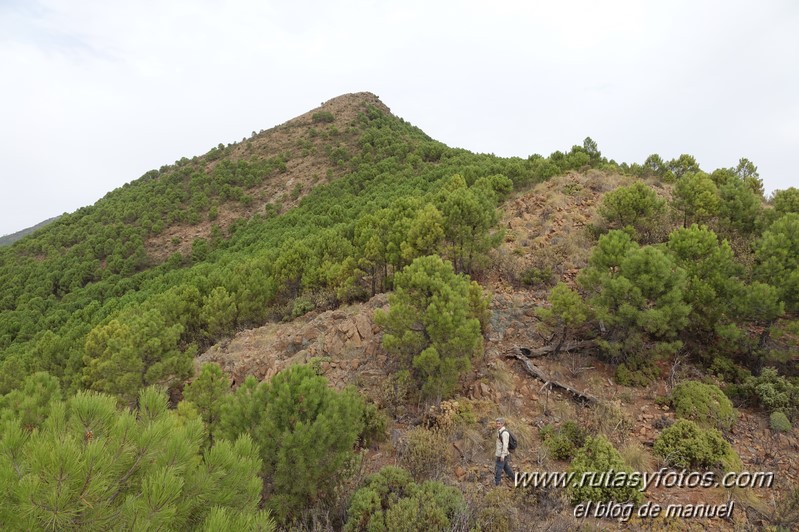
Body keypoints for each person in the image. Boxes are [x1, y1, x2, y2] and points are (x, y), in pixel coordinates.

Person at [495, 417, 513, 486]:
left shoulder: (504, 433)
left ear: (503, 424)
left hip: (502, 455)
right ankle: (515, 479)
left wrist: (502, 455)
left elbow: (505, 445)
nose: (497, 425)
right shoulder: (499, 431)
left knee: (498, 469)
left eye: (499, 424)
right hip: (500, 454)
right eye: (497, 423)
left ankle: (497, 484)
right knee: (507, 469)